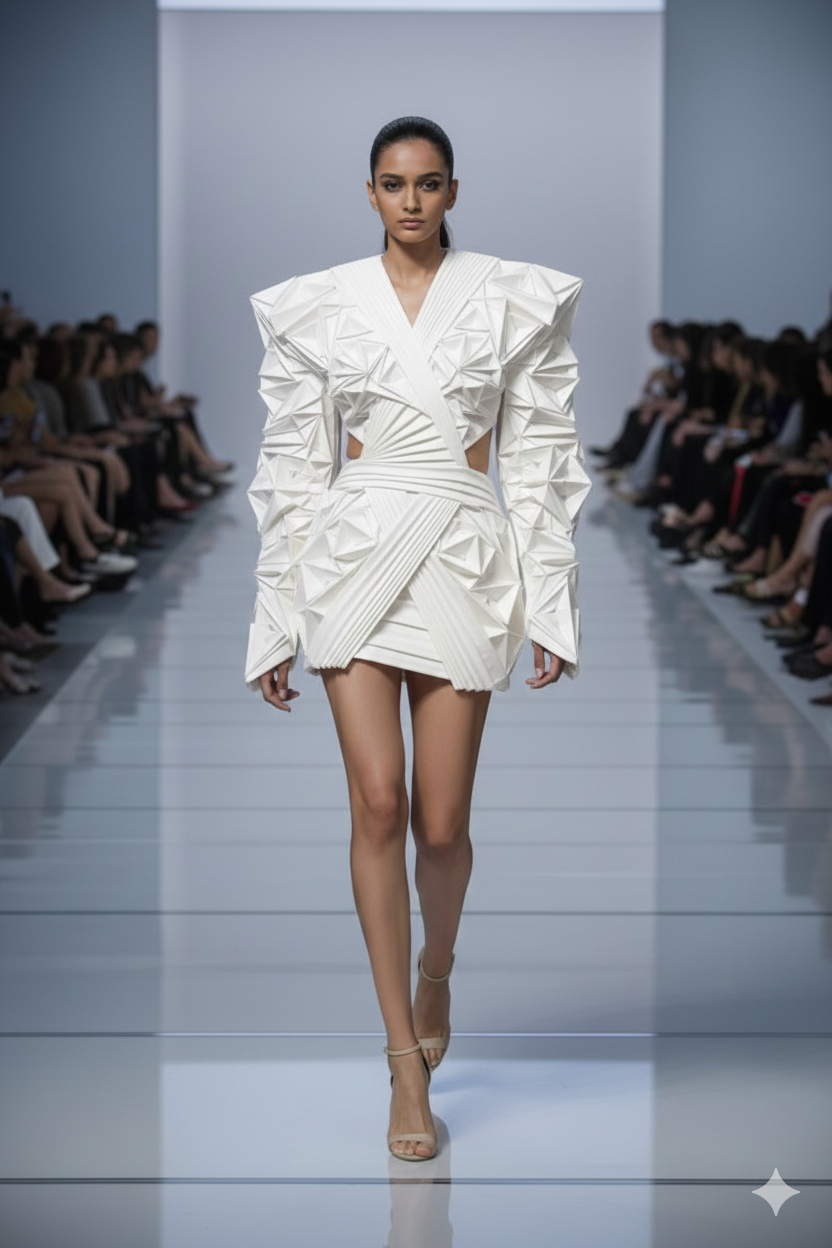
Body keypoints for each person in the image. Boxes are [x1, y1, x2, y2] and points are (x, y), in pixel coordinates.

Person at [245, 117, 590, 1162]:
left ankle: (437, 967)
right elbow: (292, 463)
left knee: (441, 826)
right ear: (369, 192)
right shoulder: (320, 304)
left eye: (428, 183)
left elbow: (540, 455)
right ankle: (403, 1062)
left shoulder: (511, 296)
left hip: (463, 555)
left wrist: (552, 600)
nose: (410, 201)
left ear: (452, 191)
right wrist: (274, 616)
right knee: (379, 804)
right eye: (393, 184)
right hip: (352, 556)